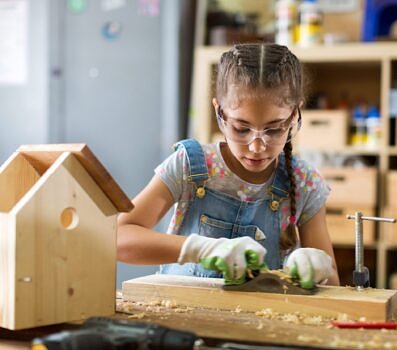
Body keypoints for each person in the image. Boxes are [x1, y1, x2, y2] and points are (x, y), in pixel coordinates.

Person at [117, 43, 340, 288]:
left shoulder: (303, 181)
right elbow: (118, 237)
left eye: (274, 129)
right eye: (241, 128)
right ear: (219, 112)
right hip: (180, 313)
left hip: (263, 322)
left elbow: (333, 286)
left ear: (295, 115)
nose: (256, 146)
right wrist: (200, 248)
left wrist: (317, 269)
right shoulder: (190, 166)